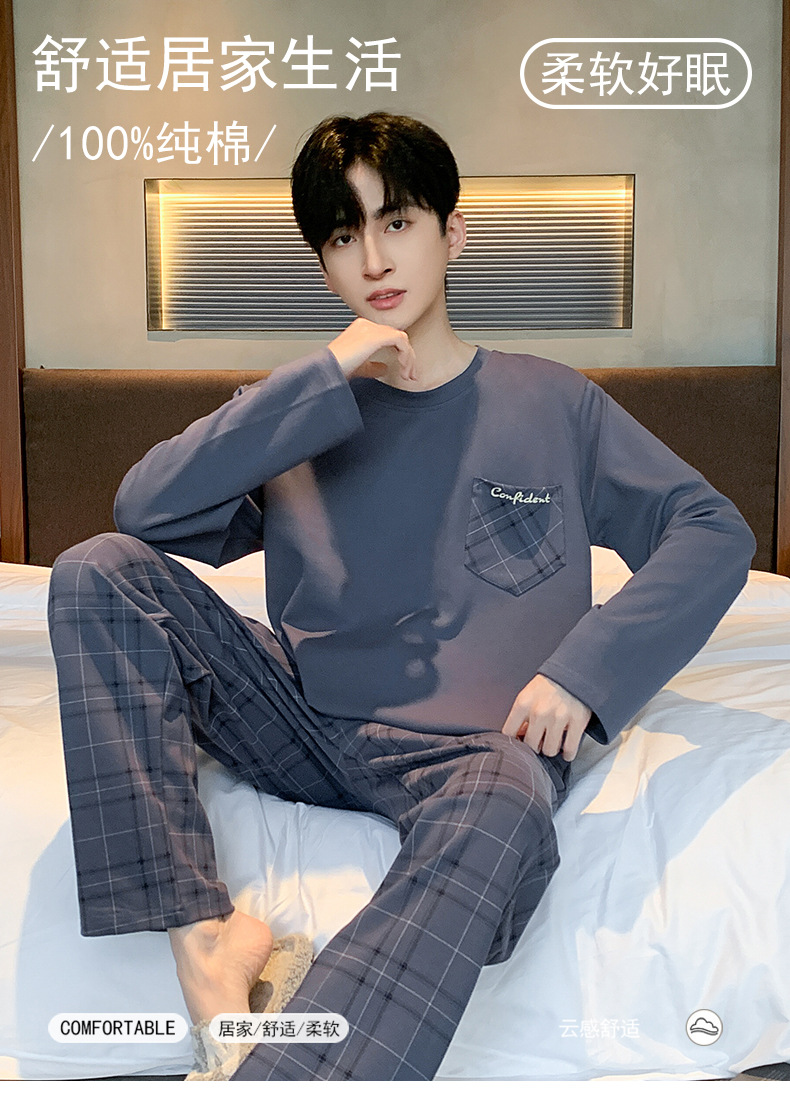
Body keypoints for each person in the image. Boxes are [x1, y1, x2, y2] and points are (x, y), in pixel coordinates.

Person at [47, 112, 755, 1081]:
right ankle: (204, 936)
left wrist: (584, 672)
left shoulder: (553, 402)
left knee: (506, 803)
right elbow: (144, 511)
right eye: (344, 236)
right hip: (304, 717)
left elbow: (711, 529)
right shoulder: (300, 412)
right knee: (96, 570)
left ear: (450, 232)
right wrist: (327, 371)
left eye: (397, 222)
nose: (374, 258)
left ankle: (290, 1083)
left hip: (477, 748)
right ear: (323, 264)